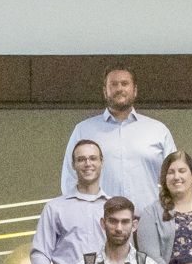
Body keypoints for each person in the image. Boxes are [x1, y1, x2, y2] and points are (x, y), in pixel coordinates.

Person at [60, 65, 173, 212]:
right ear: (105, 91)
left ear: (135, 90)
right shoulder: (83, 130)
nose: (119, 88)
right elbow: (69, 179)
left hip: (149, 223)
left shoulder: (158, 130)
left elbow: (174, 178)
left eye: (125, 84)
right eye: (113, 84)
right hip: (99, 223)